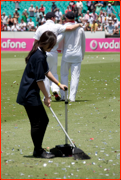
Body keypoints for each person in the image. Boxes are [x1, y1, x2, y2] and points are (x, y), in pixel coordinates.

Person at [16, 31, 68, 158]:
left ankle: (38, 150)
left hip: (30, 92)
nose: (52, 47)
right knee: (38, 122)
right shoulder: (38, 56)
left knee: (42, 120)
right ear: (45, 43)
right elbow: (39, 80)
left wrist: (59, 84)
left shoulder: (41, 53)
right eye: (51, 45)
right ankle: (38, 151)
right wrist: (47, 96)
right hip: (29, 93)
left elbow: (46, 71)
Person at [33, 12, 82, 101]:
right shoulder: (56, 26)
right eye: (54, 18)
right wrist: (78, 24)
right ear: (52, 18)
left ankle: (47, 95)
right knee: (53, 73)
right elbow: (70, 27)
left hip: (42, 53)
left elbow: (35, 41)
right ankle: (55, 90)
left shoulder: (40, 27)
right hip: (53, 53)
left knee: (45, 74)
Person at [58, 11, 85, 101]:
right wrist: (82, 55)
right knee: (75, 76)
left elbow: (60, 40)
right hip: (77, 54)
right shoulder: (80, 28)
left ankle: (63, 96)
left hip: (67, 54)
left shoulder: (64, 27)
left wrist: (60, 50)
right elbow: (83, 43)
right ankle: (72, 97)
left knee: (64, 75)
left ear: (66, 18)